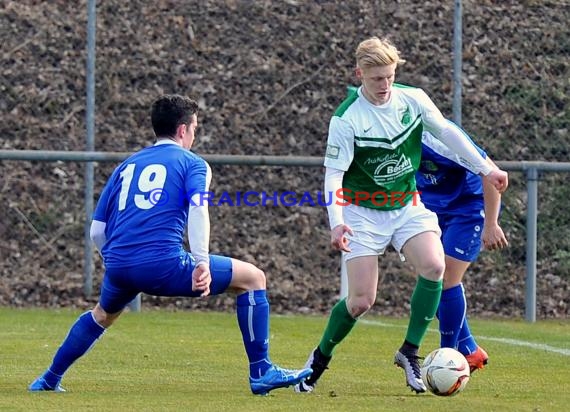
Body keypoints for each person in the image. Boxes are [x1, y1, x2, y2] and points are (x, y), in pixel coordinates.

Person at [29, 94, 311, 396]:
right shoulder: (193, 164)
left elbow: (97, 230)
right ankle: (261, 370)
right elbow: (198, 210)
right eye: (194, 129)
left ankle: (48, 378)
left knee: (102, 315)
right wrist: (201, 261)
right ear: (182, 130)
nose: (194, 135)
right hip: (164, 264)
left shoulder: (127, 165)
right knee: (253, 279)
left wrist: (114, 261)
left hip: (120, 264)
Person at [294, 36, 508, 394]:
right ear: (359, 73)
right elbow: (333, 175)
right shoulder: (347, 119)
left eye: (390, 77)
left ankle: (409, 352)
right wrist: (337, 222)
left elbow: (446, 131)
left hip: (407, 205)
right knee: (361, 301)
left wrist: (486, 167)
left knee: (435, 267)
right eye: (377, 78)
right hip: (362, 214)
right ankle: (319, 359)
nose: (385, 86)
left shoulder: (413, 99)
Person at [417, 127, 508, 372]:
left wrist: (491, 223)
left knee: (446, 278)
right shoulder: (391, 140)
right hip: (428, 210)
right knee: (431, 277)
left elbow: (491, 172)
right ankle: (469, 349)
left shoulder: (438, 138)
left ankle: (447, 357)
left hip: (466, 209)